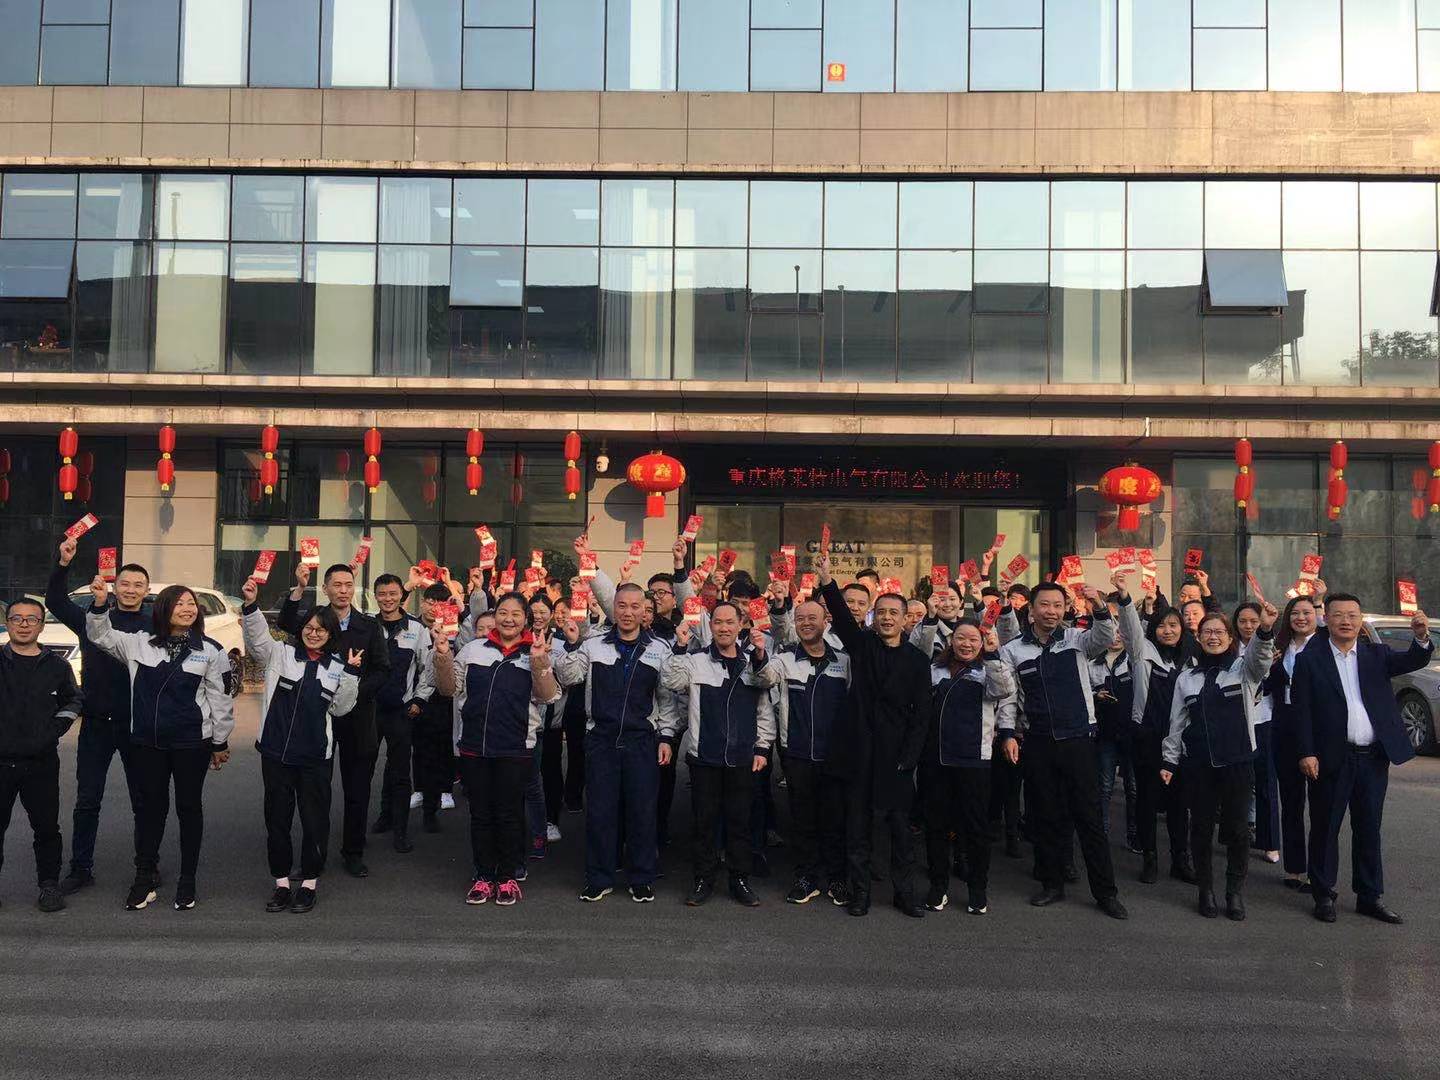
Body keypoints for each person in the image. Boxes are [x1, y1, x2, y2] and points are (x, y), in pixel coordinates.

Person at [86, 581, 234, 911]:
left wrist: (219, 741)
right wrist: (99, 604)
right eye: (179, 603)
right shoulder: (139, 643)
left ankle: (187, 880)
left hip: (191, 743)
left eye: (191, 603)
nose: (187, 609)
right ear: (163, 609)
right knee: (151, 810)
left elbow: (220, 699)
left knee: (189, 809)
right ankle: (144, 877)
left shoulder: (211, 650)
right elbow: (100, 635)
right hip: (148, 743)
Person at [1293, 594, 1432, 925]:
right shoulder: (1310, 660)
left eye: (1353, 615)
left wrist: (1421, 637)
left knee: (1369, 828)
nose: (1346, 621)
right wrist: (1307, 752)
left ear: (1360, 620)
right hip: (1330, 758)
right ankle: (1323, 894)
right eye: (1339, 615)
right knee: (1326, 827)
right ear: (1326, 619)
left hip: (1372, 758)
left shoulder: (1376, 654)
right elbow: (1302, 711)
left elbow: (1414, 659)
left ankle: (1370, 896)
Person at [999, 574, 1127, 920]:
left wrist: (1098, 605)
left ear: (1065, 608)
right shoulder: (1013, 650)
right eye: (1045, 605)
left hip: (1078, 740)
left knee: (1089, 820)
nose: (1051, 611)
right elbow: (1009, 697)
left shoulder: (1076, 640)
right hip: (1038, 742)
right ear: (1031, 610)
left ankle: (1106, 893)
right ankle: (1051, 883)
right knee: (1046, 817)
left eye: (1058, 605)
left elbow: (1104, 636)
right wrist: (1008, 733)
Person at [240, 577, 364, 914]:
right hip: (276, 754)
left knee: (314, 821)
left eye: (321, 629)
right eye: (309, 627)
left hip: (315, 758)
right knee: (277, 820)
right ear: (302, 629)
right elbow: (257, 638)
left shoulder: (337, 667)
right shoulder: (280, 654)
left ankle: (309, 882)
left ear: (330, 634)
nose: (314, 633)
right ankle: (281, 883)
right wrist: (250, 605)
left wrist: (351, 674)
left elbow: (342, 708)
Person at [817, 555, 932, 919]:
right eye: (880, 612)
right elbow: (840, 616)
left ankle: (904, 894)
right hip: (859, 752)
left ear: (905, 619)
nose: (886, 618)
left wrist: (910, 758)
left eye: (893, 613)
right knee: (858, 828)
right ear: (872, 616)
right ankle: (860, 893)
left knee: (900, 831)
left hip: (897, 755)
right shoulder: (862, 645)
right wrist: (826, 580)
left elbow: (922, 715)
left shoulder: (917, 660)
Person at [435, 592, 559, 907]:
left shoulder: (534, 651)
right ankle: (483, 875)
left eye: (516, 614)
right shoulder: (473, 650)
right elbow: (448, 689)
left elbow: (547, 696)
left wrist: (539, 660)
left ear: (526, 619)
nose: (508, 619)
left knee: (509, 814)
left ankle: (507, 876)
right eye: (503, 612)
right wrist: (443, 655)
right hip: (474, 746)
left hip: (515, 748)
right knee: (480, 814)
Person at [555, 582, 673, 903]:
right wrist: (571, 644)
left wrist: (666, 735)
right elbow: (569, 677)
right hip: (601, 740)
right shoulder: (594, 645)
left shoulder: (659, 649)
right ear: (614, 608)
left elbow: (667, 698)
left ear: (645, 611)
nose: (628, 612)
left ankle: (641, 877)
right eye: (622, 605)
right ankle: (599, 877)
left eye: (635, 606)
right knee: (601, 812)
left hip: (642, 741)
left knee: (642, 812)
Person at [47, 536, 149, 895]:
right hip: (96, 723)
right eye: (125, 583)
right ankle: (81, 868)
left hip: (138, 725)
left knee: (143, 802)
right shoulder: (92, 617)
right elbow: (55, 602)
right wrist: (63, 563)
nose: (131, 589)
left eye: (138, 584)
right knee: (87, 800)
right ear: (113, 585)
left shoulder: (154, 624)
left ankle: (146, 866)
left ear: (146, 590)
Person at [1161, 604, 1277, 920]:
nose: (1213, 637)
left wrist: (1265, 630)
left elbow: (1261, 658)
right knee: (1200, 829)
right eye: (1207, 632)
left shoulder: (1244, 670)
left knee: (1238, 830)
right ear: (1198, 637)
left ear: (1229, 637)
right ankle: (1206, 890)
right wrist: (1169, 761)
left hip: (1238, 762)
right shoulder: (1187, 678)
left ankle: (1233, 892)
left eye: (1219, 632)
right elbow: (1176, 722)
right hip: (1199, 765)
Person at [661, 601, 778, 907]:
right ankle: (703, 879)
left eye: (729, 622)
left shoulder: (754, 663)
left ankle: (740, 879)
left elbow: (764, 708)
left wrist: (763, 747)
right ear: (710, 626)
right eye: (717, 622)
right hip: (704, 757)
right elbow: (671, 681)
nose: (724, 628)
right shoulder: (696, 660)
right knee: (705, 823)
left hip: (742, 757)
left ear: (741, 625)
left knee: (740, 822)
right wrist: (680, 647)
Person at [278, 563, 390, 878]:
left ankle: (353, 852)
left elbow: (382, 669)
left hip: (358, 717)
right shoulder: (317, 620)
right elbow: (286, 623)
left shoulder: (369, 626)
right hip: (317, 717)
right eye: (336, 585)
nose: (343, 590)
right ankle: (314, 857)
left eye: (348, 584)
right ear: (325, 588)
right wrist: (299, 588)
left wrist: (351, 693)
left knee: (357, 789)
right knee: (316, 791)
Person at [923, 618, 1014, 915]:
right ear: (952, 641)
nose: (966, 644)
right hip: (937, 759)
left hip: (975, 760)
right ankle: (938, 886)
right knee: (936, 826)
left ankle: (977, 888)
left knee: (976, 828)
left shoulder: (987, 670)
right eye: (961, 638)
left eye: (973, 639)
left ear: (981, 643)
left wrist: (993, 654)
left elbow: (1004, 690)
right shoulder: (935, 670)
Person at [764, 598, 851, 906]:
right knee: (803, 821)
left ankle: (838, 878)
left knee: (836, 820)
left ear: (826, 621)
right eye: (800, 619)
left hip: (836, 756)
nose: (806, 623)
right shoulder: (784, 658)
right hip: (797, 754)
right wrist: (759, 654)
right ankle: (807, 877)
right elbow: (763, 677)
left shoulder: (844, 660)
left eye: (812, 618)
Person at [0, 597, 82, 912]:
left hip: (41, 762)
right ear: (7, 623)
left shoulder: (57, 666)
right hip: (1, 762)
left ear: (41, 625)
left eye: (31, 619)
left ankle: (49, 886)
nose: (24, 624)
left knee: (46, 829)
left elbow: (73, 700)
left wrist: (54, 730)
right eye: (17, 618)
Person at [1118, 601, 1193, 885]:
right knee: (1146, 801)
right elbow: (1130, 629)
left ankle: (1180, 860)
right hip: (1147, 738)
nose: (1168, 630)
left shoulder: (1191, 658)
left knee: (1179, 803)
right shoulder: (1142, 652)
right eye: (1161, 625)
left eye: (1173, 625)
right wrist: (1125, 598)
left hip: (1181, 740)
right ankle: (1150, 858)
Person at [370, 573, 434, 854]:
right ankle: (377, 819)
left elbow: (428, 669)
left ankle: (400, 831)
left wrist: (419, 699)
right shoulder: (368, 626)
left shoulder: (417, 629)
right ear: (375, 596)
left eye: (393, 593)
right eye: (382, 594)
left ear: (401, 596)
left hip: (400, 711)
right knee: (362, 769)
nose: (388, 599)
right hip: (369, 711)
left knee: (399, 772)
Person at [1267, 594, 1320, 890]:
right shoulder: (1280, 647)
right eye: (1295, 613)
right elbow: (1266, 685)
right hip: (1284, 727)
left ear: (1316, 616)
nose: (1301, 618)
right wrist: (1268, 665)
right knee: (1291, 801)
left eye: (1306, 612)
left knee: (1321, 804)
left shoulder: (1324, 646)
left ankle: (1318, 871)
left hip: (1316, 729)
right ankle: (1295, 868)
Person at [1233, 602, 1280, 864]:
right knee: (1236, 784)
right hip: (1237, 722)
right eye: (1243, 621)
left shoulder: (1273, 645)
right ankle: (1235, 836)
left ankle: (1270, 841)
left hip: (1264, 720)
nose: (1248, 626)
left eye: (1254, 621)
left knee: (1266, 784)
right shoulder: (1229, 647)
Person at [412, 582, 459, 831]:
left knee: (443, 745)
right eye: (429, 602)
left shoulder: (453, 629)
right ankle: (419, 788)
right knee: (419, 746)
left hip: (444, 696)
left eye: (439, 604)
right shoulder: (414, 627)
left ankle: (444, 789)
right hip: (417, 697)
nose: (433, 608)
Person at [1092, 605, 1137, 850]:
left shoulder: (1134, 660)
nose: (1116, 636)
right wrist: (1096, 695)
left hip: (1131, 732)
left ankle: (1134, 835)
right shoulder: (1092, 661)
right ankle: (1101, 835)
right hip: (1105, 733)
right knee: (1105, 786)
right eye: (1112, 632)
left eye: (1121, 632)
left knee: (1133, 788)